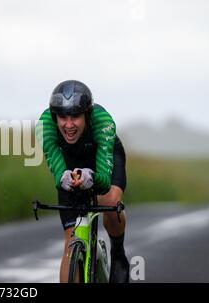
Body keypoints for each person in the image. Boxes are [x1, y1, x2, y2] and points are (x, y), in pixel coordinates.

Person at [35, 80, 130, 283]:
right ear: (55, 117)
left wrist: (93, 177)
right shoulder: (45, 126)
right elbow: (58, 170)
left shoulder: (103, 121)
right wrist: (65, 178)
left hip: (103, 157)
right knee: (71, 240)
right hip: (71, 162)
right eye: (63, 117)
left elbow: (104, 180)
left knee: (110, 202)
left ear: (87, 114)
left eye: (76, 116)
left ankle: (118, 252)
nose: (69, 125)